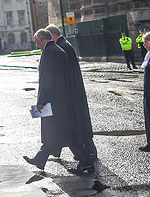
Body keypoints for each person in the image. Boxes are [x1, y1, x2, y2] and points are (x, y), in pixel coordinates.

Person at [23, 29, 93, 173]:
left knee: (64, 134)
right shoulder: (59, 50)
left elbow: (46, 81)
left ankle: (86, 162)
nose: (37, 45)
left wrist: (41, 101)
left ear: (42, 39)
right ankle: (40, 159)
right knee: (53, 133)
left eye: (37, 42)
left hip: (53, 102)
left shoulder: (48, 54)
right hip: (63, 100)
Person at [46, 24, 97, 160]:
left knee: (76, 123)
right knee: (75, 122)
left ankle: (89, 153)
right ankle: (56, 150)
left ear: (52, 35)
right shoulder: (64, 44)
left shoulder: (61, 47)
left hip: (71, 91)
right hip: (74, 89)